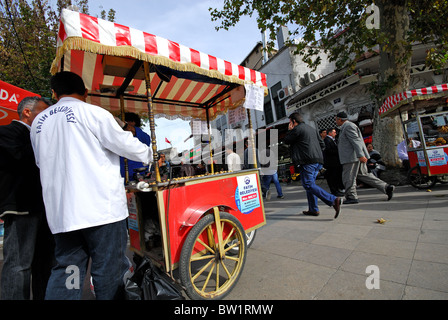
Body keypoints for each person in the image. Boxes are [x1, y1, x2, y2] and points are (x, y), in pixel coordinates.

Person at [30, 71, 153, 300]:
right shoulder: (93, 113)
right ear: (85, 93)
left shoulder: (39, 122)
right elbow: (127, 145)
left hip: (63, 215)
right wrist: (149, 153)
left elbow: (40, 162)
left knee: (69, 270)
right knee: (107, 270)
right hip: (101, 212)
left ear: (54, 93)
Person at [0, 96, 54, 300]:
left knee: (45, 262)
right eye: (43, 113)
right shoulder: (6, 132)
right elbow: (22, 159)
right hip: (20, 206)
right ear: (27, 112)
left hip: (43, 207)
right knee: (18, 263)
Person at [284, 112, 342, 218]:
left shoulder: (297, 129)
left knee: (308, 184)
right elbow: (322, 144)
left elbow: (287, 140)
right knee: (311, 185)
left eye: (290, 121)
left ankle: (333, 199)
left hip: (307, 161)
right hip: (317, 161)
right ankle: (313, 209)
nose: (289, 124)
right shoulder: (311, 129)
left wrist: (289, 130)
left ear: (293, 121)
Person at [335, 111, 394, 204]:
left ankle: (351, 196)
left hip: (352, 158)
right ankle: (386, 187)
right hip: (354, 157)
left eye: (336, 119)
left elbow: (356, 141)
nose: (336, 121)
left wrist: (360, 155)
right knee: (364, 175)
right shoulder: (347, 127)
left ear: (339, 119)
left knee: (348, 177)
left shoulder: (348, 126)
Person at [118, 113, 151, 182]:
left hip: (139, 174)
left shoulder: (142, 135)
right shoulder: (121, 137)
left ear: (133, 122)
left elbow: (131, 130)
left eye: (127, 121)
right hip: (122, 175)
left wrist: (125, 125)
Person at [323, 127, 344, 196]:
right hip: (331, 163)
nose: (335, 133)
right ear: (330, 133)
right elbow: (328, 150)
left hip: (335, 162)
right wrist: (338, 151)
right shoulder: (327, 140)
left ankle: (337, 189)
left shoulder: (334, 140)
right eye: (334, 132)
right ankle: (334, 191)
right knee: (332, 178)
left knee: (336, 177)